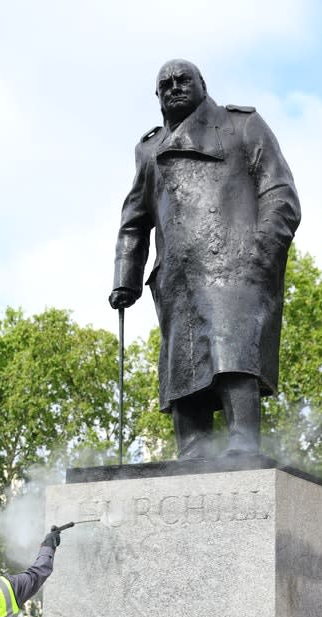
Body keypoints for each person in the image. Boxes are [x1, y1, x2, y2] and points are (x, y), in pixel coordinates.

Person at [109, 59, 300, 459]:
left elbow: (280, 192)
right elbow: (134, 220)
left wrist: (261, 250)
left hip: (235, 263)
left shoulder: (242, 126)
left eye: (183, 81)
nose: (174, 88)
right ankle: (192, 449)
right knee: (183, 363)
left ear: (202, 83)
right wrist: (125, 278)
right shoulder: (149, 150)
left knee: (233, 351)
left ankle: (243, 440)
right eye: (165, 84)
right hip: (177, 275)